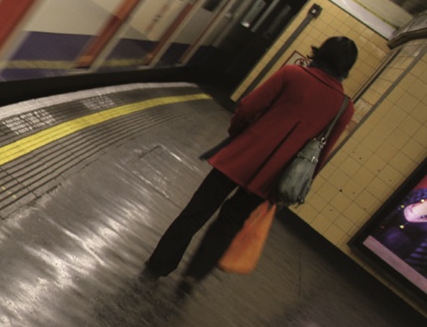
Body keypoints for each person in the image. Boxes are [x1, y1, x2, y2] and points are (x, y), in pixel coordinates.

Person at [144, 36, 358, 286]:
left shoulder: (292, 74)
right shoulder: (344, 107)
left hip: (240, 157)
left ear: (319, 52)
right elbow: (319, 156)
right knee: (230, 222)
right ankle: (194, 275)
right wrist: (291, 184)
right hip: (273, 176)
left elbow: (247, 107)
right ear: (346, 67)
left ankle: (160, 265)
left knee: (196, 211)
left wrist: (238, 136)